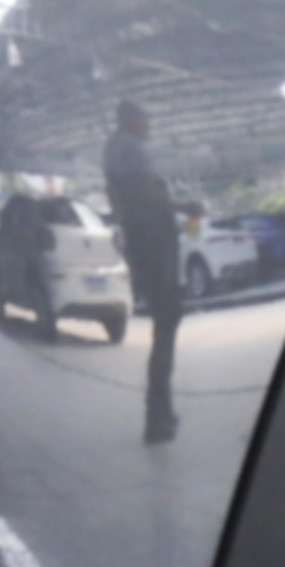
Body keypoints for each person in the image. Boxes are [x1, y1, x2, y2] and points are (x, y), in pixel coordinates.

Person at [103, 98, 185, 443]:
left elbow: (121, 198)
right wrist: (183, 206)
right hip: (153, 242)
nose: (149, 126)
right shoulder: (129, 148)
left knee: (165, 322)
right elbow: (146, 193)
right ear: (131, 120)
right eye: (145, 120)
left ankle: (161, 411)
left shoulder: (112, 150)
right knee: (167, 321)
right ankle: (157, 416)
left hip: (143, 241)